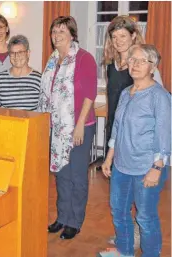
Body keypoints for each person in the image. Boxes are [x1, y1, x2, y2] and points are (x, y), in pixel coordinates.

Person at [98, 44, 170, 257]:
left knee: (145, 218)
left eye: (141, 61)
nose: (135, 64)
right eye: (132, 60)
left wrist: (156, 167)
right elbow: (117, 128)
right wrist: (109, 158)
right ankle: (125, 251)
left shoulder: (160, 96)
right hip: (121, 166)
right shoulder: (125, 93)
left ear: (152, 66)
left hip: (146, 167)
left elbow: (165, 134)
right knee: (119, 212)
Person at [39, 16, 97, 240]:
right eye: (54, 31)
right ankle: (62, 217)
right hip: (56, 126)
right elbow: (47, 94)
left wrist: (80, 125)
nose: (57, 35)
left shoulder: (84, 58)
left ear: (72, 34)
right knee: (61, 173)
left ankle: (74, 221)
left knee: (77, 176)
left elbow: (90, 94)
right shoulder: (53, 59)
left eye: (62, 31)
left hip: (79, 125)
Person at [0, 35, 41, 110]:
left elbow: (44, 109)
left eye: (20, 52)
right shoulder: (0, 80)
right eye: (12, 53)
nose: (16, 56)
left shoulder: (39, 79)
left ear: (28, 53)